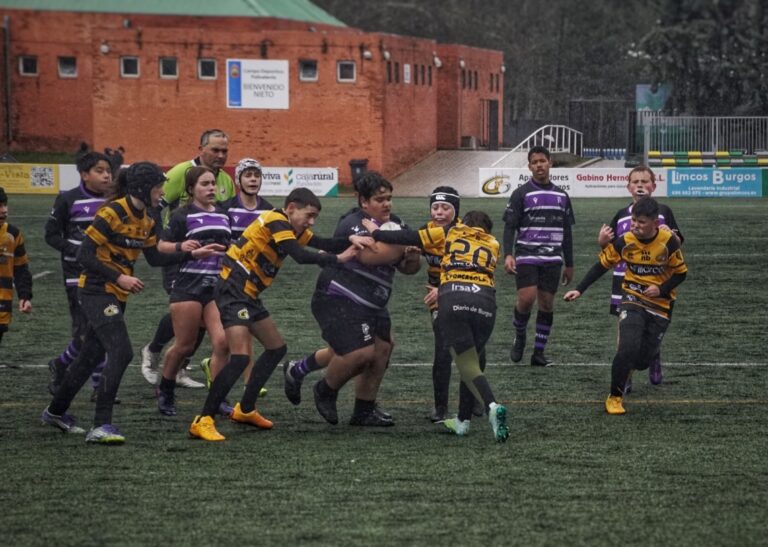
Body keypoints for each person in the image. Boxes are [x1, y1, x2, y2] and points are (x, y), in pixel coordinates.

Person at [40, 162, 222, 444]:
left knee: (90, 356)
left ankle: (55, 412)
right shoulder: (111, 212)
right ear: (142, 188)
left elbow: (154, 258)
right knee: (122, 352)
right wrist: (120, 277)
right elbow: (85, 256)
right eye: (158, 186)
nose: (162, 191)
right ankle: (101, 425)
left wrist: (189, 255)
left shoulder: (148, 218)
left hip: (116, 294)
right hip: (95, 291)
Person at [188, 187, 367, 442]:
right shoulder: (276, 219)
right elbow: (301, 256)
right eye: (309, 215)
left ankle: (246, 409)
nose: (311, 222)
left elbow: (321, 243)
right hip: (233, 288)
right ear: (291, 207)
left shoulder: (290, 227)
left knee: (276, 348)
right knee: (239, 357)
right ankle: (203, 419)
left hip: (247, 293)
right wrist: (339, 258)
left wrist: (354, 240)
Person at [367, 210, 509, 442]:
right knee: (471, 363)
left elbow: (410, 237)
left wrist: (376, 232)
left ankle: (493, 405)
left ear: (464, 223)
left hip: (453, 297)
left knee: (467, 363)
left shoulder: (451, 230)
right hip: (486, 300)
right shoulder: (494, 243)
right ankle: (463, 422)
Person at [298, 172, 420, 428]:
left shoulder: (396, 223)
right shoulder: (353, 222)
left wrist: (410, 256)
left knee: (383, 349)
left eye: (389, 198)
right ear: (363, 201)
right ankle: (325, 390)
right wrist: (405, 243)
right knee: (360, 353)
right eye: (379, 199)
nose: (387, 204)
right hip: (338, 296)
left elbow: (410, 268)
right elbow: (370, 257)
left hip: (373, 303)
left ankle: (363, 411)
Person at [563, 197, 687, 415]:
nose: (635, 226)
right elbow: (601, 265)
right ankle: (615, 397)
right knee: (626, 348)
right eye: (633, 221)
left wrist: (661, 289)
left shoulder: (669, 242)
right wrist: (580, 289)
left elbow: (681, 273)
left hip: (660, 306)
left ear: (654, 224)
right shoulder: (625, 241)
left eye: (640, 222)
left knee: (641, 361)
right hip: (632, 298)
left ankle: (647, 359)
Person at [141, 129, 236, 388]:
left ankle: (180, 368)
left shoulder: (225, 181)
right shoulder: (179, 173)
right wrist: (161, 243)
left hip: (211, 261)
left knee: (205, 316)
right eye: (215, 150)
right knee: (186, 306)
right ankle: (154, 350)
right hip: (181, 255)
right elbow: (154, 207)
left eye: (224, 151)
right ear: (201, 148)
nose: (220, 155)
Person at [597, 165, 683, 387]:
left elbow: (677, 241)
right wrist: (602, 242)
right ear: (628, 187)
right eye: (636, 182)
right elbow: (610, 249)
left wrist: (674, 238)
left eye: (645, 182)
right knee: (625, 328)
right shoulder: (621, 214)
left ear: (653, 186)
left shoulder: (663, 211)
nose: (640, 185)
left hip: (656, 279)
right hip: (624, 279)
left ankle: (654, 355)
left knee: (651, 324)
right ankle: (626, 377)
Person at [155, 166, 230, 416]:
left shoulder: (223, 214)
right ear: (191, 190)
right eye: (204, 184)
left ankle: (217, 398)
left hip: (214, 289)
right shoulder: (181, 215)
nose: (211, 188)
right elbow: (160, 247)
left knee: (222, 342)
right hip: (187, 287)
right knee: (185, 346)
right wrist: (183, 247)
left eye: (212, 184)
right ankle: (165, 388)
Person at [199, 158, 274, 390]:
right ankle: (218, 369)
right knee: (232, 331)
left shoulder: (269, 210)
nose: (253, 179)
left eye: (256, 175)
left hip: (253, 278)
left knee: (246, 326)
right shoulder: (226, 208)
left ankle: (248, 379)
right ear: (238, 180)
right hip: (227, 277)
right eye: (248, 175)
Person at [44, 151, 112, 397]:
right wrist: (78, 249)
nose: (106, 175)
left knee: (100, 330)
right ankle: (97, 387)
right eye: (100, 171)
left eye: (108, 171)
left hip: (107, 275)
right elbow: (51, 236)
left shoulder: (114, 201)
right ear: (84, 175)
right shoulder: (68, 199)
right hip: (77, 276)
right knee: (88, 331)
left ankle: (61, 363)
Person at [502, 145, 574, 366]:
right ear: (529, 166)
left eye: (543, 161)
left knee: (546, 304)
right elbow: (509, 227)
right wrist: (508, 254)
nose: (539, 165)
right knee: (526, 298)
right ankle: (520, 334)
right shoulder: (521, 194)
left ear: (550, 162)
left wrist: (569, 263)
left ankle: (538, 353)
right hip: (527, 254)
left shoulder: (562, 195)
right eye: (535, 162)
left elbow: (567, 231)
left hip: (552, 258)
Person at [0, 186, 32, 349]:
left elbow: (21, 268)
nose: (4, 210)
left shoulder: (13, 234)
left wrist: (25, 296)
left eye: (4, 204)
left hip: (2, 303)